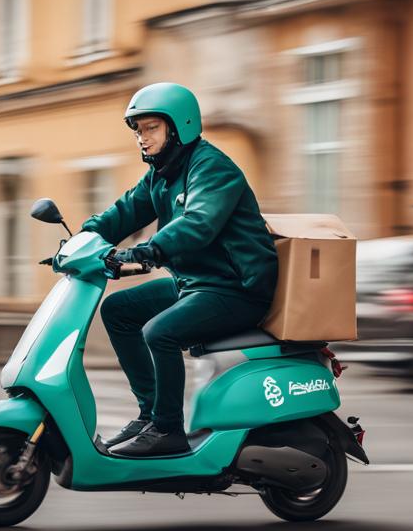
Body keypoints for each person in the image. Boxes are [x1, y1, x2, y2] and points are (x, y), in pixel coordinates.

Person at [81, 83, 279, 457]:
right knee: (118, 311)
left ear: (179, 126)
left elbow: (198, 222)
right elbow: (124, 212)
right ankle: (150, 415)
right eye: (138, 129)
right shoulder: (161, 174)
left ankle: (168, 430)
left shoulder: (214, 168)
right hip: (196, 285)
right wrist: (84, 239)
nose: (142, 137)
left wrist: (149, 250)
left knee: (160, 332)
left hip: (237, 289)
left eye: (151, 127)